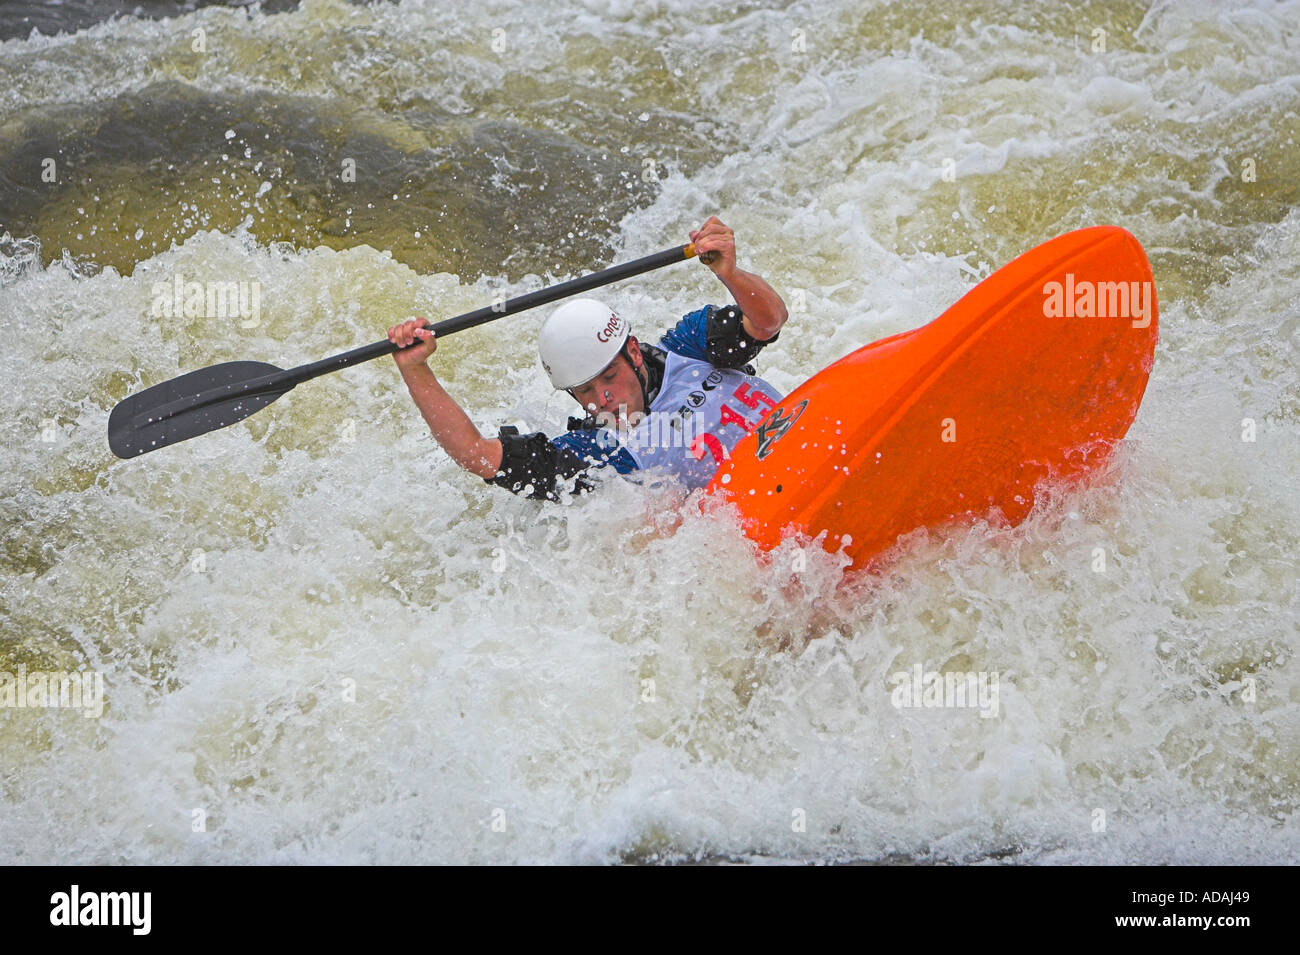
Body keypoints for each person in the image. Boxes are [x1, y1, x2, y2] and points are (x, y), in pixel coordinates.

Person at [387, 216, 789, 500]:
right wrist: (415, 368)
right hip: (759, 510)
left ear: (633, 352)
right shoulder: (600, 450)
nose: (604, 399)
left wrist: (729, 273)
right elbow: (478, 455)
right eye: (585, 390)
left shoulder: (690, 346)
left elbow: (769, 321)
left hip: (798, 441)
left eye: (609, 376)